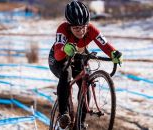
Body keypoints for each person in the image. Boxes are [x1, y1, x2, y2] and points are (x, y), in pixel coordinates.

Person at [48, 0, 122, 129]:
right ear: (69, 26)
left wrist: (114, 54)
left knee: (85, 84)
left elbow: (104, 44)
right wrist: (64, 49)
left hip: (77, 56)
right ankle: (63, 114)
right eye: (76, 28)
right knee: (66, 73)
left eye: (83, 27)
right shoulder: (62, 29)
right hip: (59, 58)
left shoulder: (91, 29)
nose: (81, 31)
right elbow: (58, 53)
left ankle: (79, 124)